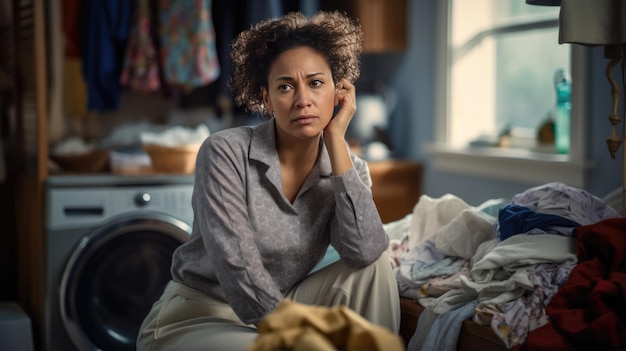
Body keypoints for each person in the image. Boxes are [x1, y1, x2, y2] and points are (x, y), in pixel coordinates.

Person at [137, 10, 400, 351]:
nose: (303, 99)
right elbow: (236, 262)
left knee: (375, 264)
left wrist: (336, 139)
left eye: (316, 83)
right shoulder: (224, 152)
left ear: (338, 91)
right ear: (266, 97)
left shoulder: (347, 168)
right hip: (200, 313)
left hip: (284, 302)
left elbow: (365, 251)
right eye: (286, 86)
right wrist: (298, 331)